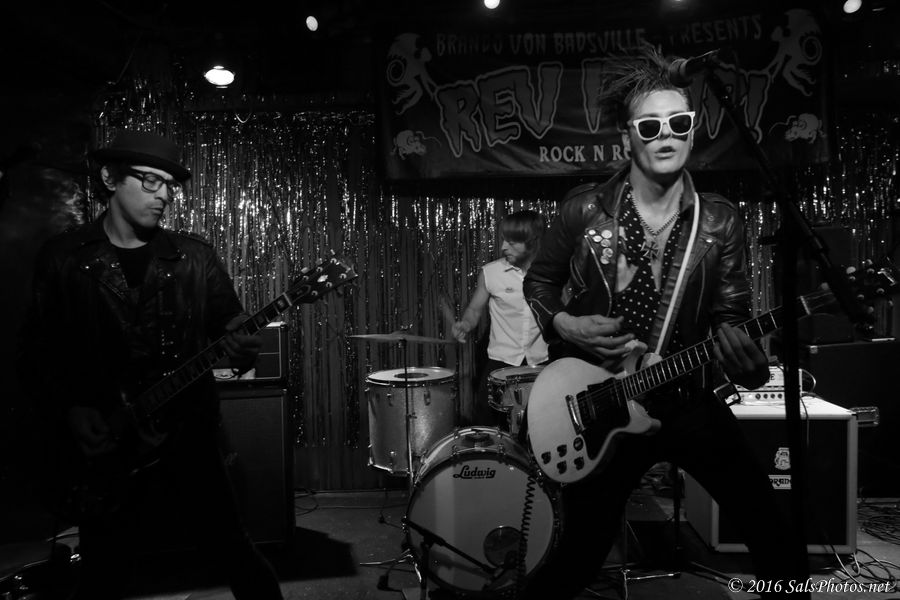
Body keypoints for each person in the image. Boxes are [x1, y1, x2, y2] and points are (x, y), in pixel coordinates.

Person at [521, 47, 810, 599]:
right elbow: (539, 283)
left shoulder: (719, 220)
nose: (666, 135)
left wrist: (746, 364)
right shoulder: (584, 210)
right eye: (650, 126)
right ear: (626, 138)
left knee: (772, 532)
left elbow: (731, 318)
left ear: (693, 131)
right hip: (606, 403)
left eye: (679, 123)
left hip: (686, 399)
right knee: (577, 557)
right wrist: (564, 323)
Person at [17, 130, 284, 599]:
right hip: (106, 440)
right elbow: (39, 351)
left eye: (169, 186)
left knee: (234, 549)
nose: (163, 195)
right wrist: (72, 409)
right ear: (109, 178)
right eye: (149, 181)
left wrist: (242, 339)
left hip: (188, 432)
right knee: (104, 569)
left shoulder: (195, 256)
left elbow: (229, 318)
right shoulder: (63, 258)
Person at [451, 209, 549, 427]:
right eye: (504, 240)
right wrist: (465, 324)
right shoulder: (491, 273)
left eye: (512, 243)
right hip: (501, 361)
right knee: (488, 426)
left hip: (541, 360)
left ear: (532, 242)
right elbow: (474, 310)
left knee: (541, 424)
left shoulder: (552, 273)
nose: (503, 247)